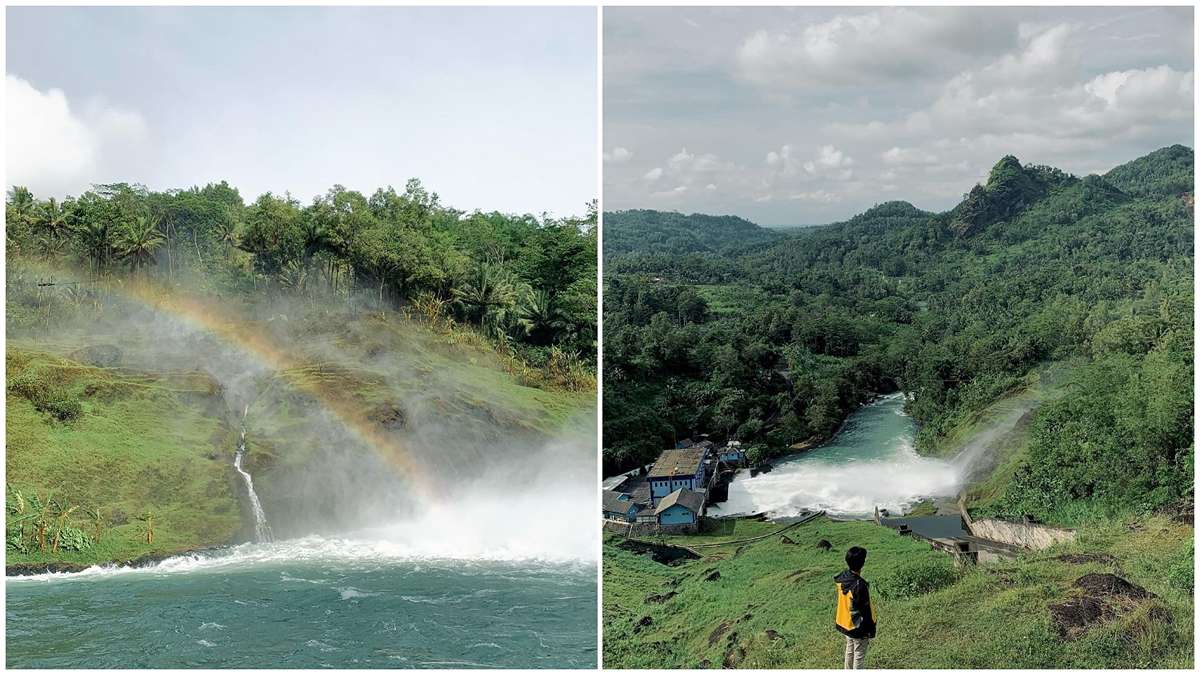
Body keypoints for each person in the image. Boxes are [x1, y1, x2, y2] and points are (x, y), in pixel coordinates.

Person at [834, 546, 876, 669]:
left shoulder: (843, 577)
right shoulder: (860, 585)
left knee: (850, 649)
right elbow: (865, 611)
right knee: (859, 655)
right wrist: (870, 629)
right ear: (862, 563)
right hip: (858, 627)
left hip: (846, 622)